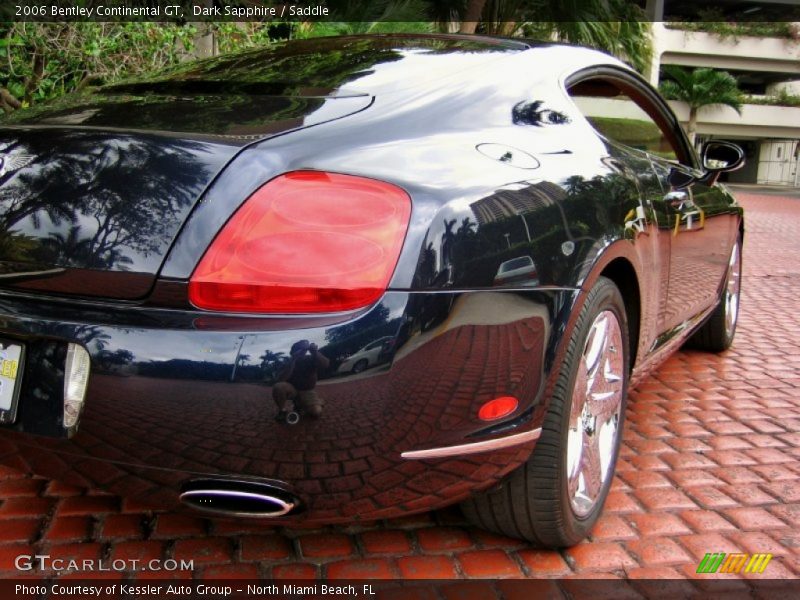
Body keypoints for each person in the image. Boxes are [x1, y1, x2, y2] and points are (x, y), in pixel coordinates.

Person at [272, 339, 329, 423]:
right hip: (292, 390)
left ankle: (314, 402)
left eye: (304, 349)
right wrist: (293, 360)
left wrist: (315, 352)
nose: (302, 352)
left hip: (307, 391)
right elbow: (281, 380)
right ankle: (282, 411)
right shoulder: (287, 362)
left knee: (316, 412)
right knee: (279, 387)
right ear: (293, 352)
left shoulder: (310, 359)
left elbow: (326, 364)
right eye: (300, 349)